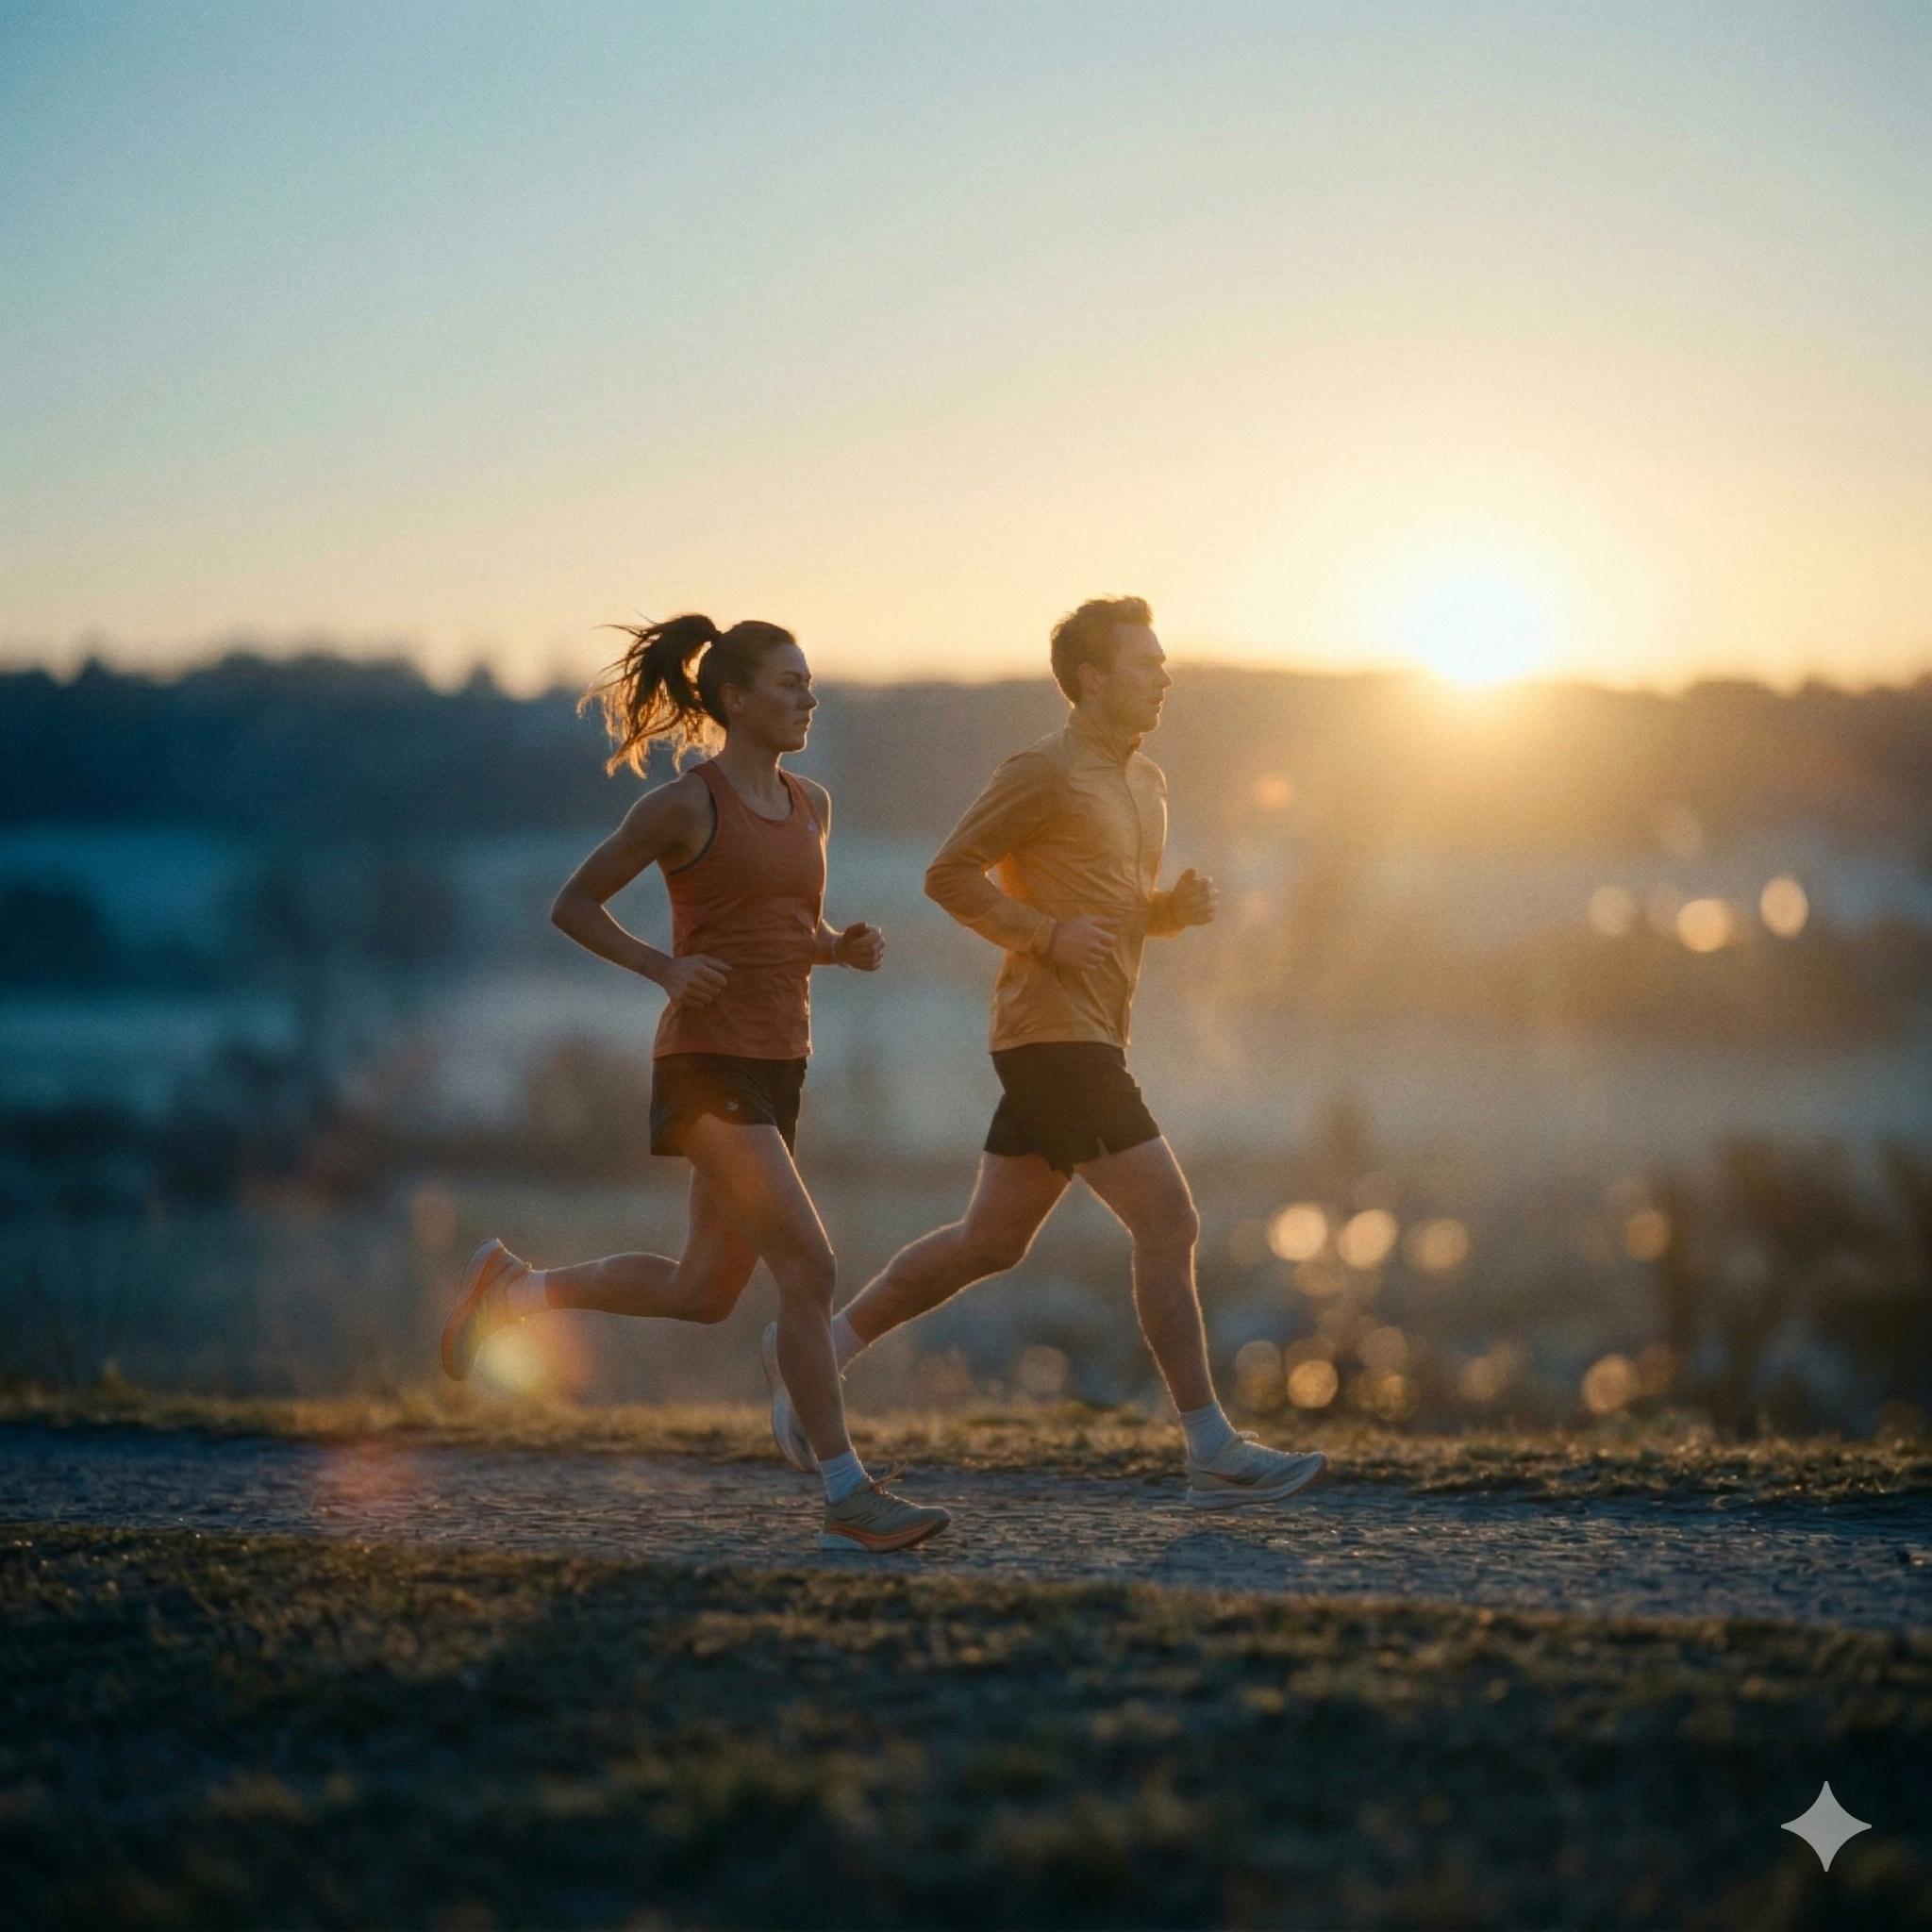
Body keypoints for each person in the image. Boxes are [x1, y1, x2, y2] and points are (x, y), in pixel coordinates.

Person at [761, 597, 1326, 1507]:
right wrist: (1040, 934)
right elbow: (947, 874)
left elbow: (1108, 911)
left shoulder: (1146, 785)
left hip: (1086, 1034)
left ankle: (816, 1355)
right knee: (1169, 1222)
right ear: (1094, 679)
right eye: (1147, 664)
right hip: (1053, 1038)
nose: (1166, 679)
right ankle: (1210, 1447)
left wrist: (1166, 914)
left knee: (990, 1242)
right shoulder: (1042, 771)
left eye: (1165, 662)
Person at [440, 613, 950, 1553]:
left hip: (778, 1059)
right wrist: (661, 968)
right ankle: (846, 1488)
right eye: (790, 683)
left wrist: (839, 947)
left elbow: (778, 926)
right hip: (705, 1061)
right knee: (810, 1264)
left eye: (810, 682)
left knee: (702, 1288)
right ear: (735, 698)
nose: (808, 697)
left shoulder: (812, 804)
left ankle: (516, 1287)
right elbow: (572, 902)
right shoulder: (685, 804)